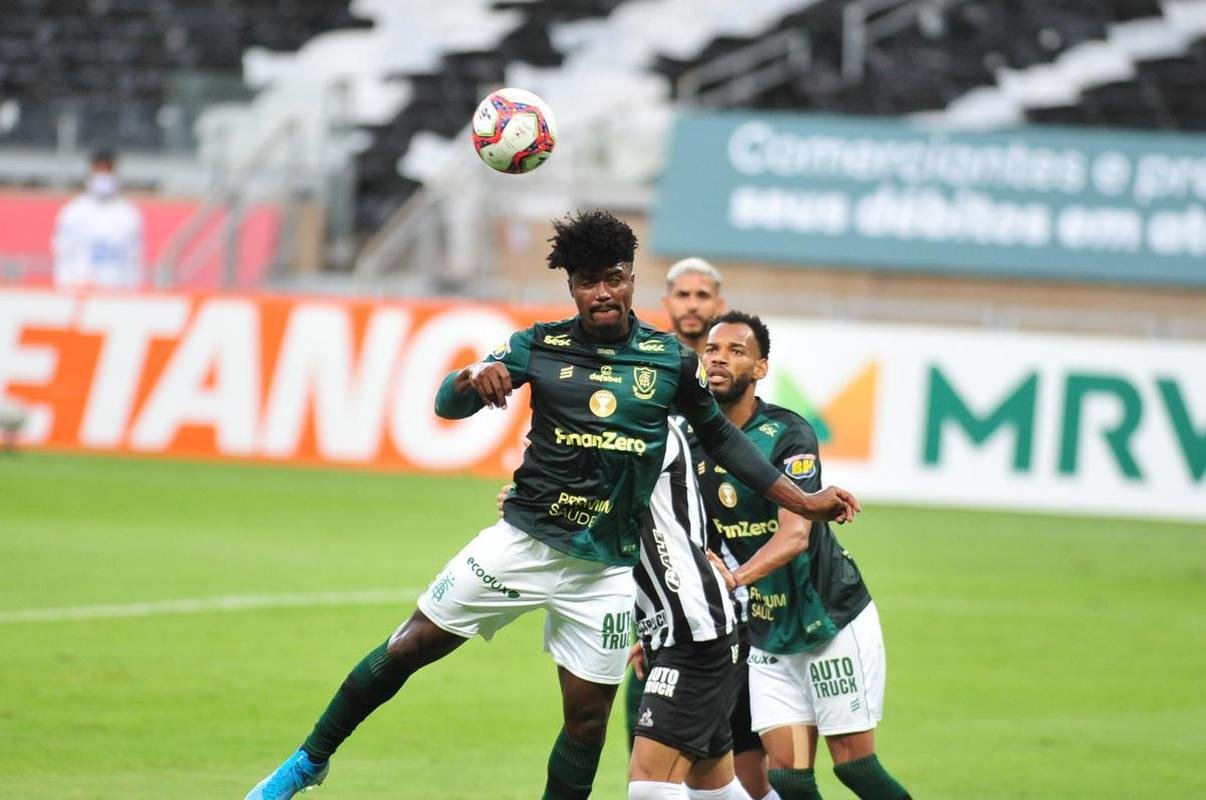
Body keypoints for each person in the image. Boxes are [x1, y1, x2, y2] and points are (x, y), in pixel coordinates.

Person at [244, 211, 859, 800]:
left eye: (612, 278)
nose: (601, 293)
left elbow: (725, 442)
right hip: (524, 543)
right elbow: (445, 405)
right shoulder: (537, 346)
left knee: (587, 724)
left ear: (631, 278)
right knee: (407, 648)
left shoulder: (669, 361)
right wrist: (469, 380)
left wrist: (802, 499)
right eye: (586, 282)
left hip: (607, 572)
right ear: (571, 286)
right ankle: (306, 764)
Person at [696, 311, 911, 800]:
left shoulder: (788, 434)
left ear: (760, 368)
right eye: (713, 350)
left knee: (855, 767)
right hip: (770, 626)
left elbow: (795, 535)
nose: (720, 359)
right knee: (787, 777)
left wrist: (733, 580)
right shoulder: (692, 438)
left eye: (736, 351)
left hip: (829, 616)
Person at [51, 148, 144, 290]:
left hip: (116, 294)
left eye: (108, 169)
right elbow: (62, 255)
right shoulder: (72, 212)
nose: (103, 175)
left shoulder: (129, 214)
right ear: (90, 172)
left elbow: (133, 260)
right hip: (80, 291)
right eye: (99, 169)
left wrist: (131, 293)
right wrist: (65, 287)